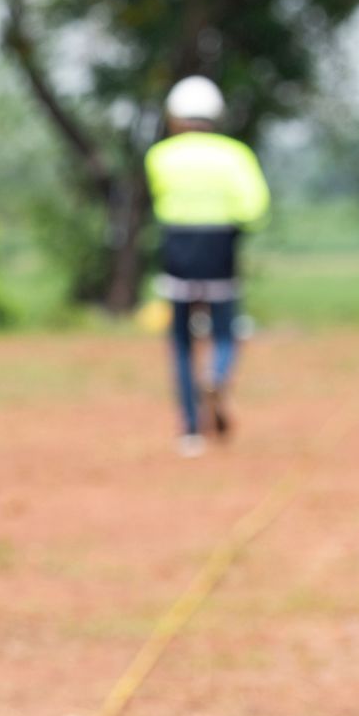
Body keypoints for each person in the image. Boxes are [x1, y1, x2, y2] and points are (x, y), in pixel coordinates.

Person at [144, 76, 269, 456]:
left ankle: (190, 431)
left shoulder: (160, 155)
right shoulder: (235, 155)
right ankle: (216, 375)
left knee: (181, 342)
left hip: (177, 253)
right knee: (225, 333)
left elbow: (159, 200)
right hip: (220, 253)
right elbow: (254, 209)